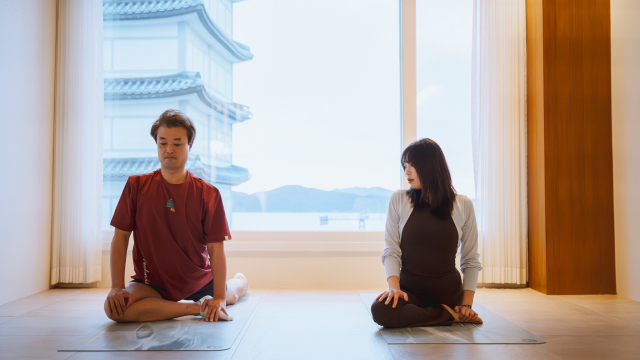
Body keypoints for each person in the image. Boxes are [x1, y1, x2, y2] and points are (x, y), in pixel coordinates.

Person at [103, 109, 248, 323]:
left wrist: (218, 298)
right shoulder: (136, 186)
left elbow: (216, 249)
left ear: (189, 146)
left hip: (198, 280)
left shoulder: (208, 193)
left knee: (232, 294)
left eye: (177, 143)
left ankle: (240, 281)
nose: (169, 149)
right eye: (163, 143)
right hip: (151, 283)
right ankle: (194, 308)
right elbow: (120, 238)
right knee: (114, 309)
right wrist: (116, 287)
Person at [371, 138, 483, 327]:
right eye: (405, 165)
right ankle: (448, 316)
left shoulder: (463, 204)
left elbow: (471, 258)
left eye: (412, 165)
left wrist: (466, 305)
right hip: (410, 294)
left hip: (447, 294)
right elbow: (391, 250)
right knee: (380, 310)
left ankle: (447, 313)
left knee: (392, 314)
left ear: (431, 166)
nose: (407, 171)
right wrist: (394, 290)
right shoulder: (398, 199)